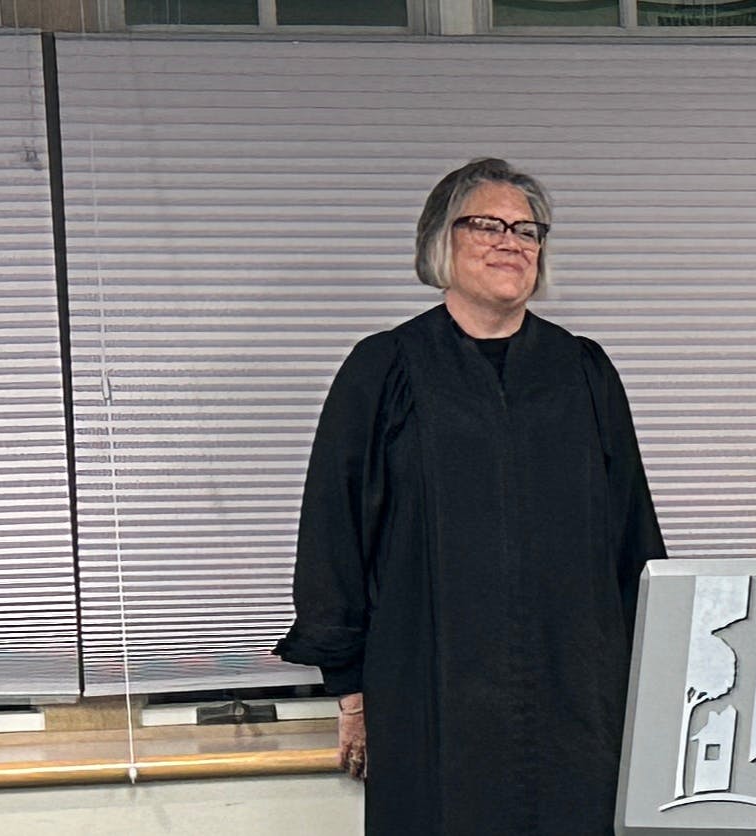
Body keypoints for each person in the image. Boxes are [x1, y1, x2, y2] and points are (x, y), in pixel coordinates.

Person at [274, 158, 671, 834]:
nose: (510, 240)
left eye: (527, 229)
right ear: (439, 242)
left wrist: (655, 678)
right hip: (432, 691)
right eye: (486, 224)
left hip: (576, 693)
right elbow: (334, 534)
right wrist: (349, 692)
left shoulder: (583, 372)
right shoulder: (386, 370)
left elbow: (632, 536)